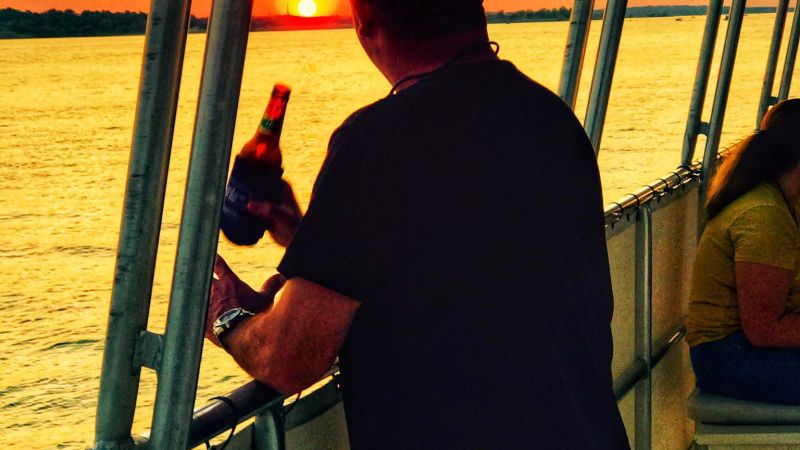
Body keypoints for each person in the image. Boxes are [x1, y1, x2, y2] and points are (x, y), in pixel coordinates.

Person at [205, 0, 629, 447]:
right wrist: (310, 238)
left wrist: (226, 317)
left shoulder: (378, 141)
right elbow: (470, 263)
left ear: (365, 17)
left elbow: (291, 358)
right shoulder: (549, 118)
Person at [687, 98, 800, 404]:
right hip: (729, 357)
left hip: (742, 350)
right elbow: (764, 329)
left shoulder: (785, 202)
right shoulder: (764, 215)